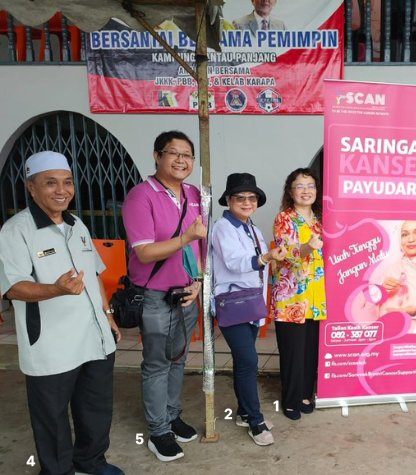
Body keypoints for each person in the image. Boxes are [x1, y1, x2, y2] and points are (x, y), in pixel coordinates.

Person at [0, 151, 123, 475]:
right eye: (50, 183)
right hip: (51, 344)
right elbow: (12, 287)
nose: (61, 190)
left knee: (95, 408)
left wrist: (107, 314)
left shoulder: (76, 224)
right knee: (51, 417)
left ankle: (91, 462)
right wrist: (55, 289)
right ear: (31, 188)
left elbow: (93, 274)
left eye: (67, 182)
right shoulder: (16, 230)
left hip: (93, 337)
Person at [121, 131, 207, 462]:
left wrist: (197, 281)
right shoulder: (141, 196)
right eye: (174, 153)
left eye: (187, 155)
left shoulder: (194, 194)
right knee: (157, 365)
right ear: (157, 156)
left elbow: (200, 246)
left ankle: (172, 416)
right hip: (155, 296)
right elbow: (144, 253)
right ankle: (158, 432)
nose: (181, 160)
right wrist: (185, 237)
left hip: (185, 293)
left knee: (178, 359)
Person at [211, 173, 287, 446]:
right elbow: (235, 262)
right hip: (232, 303)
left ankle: (244, 413)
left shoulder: (251, 228)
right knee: (248, 361)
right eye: (240, 198)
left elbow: (259, 267)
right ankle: (255, 421)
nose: (246, 202)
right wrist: (266, 257)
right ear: (228, 200)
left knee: (244, 362)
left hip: (251, 302)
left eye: (251, 198)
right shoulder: (223, 227)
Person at [271, 168, 327, 420]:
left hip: (315, 297)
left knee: (310, 350)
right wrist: (307, 247)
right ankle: (291, 400)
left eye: (310, 185)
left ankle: (306, 393)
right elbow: (287, 255)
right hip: (291, 298)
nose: (306, 191)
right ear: (290, 192)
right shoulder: (284, 218)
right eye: (300, 186)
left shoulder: (320, 220)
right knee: (293, 351)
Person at [381, 220, 416, 334]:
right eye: (405, 234)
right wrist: (381, 290)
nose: (411, 239)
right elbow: (370, 307)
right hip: (390, 332)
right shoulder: (392, 269)